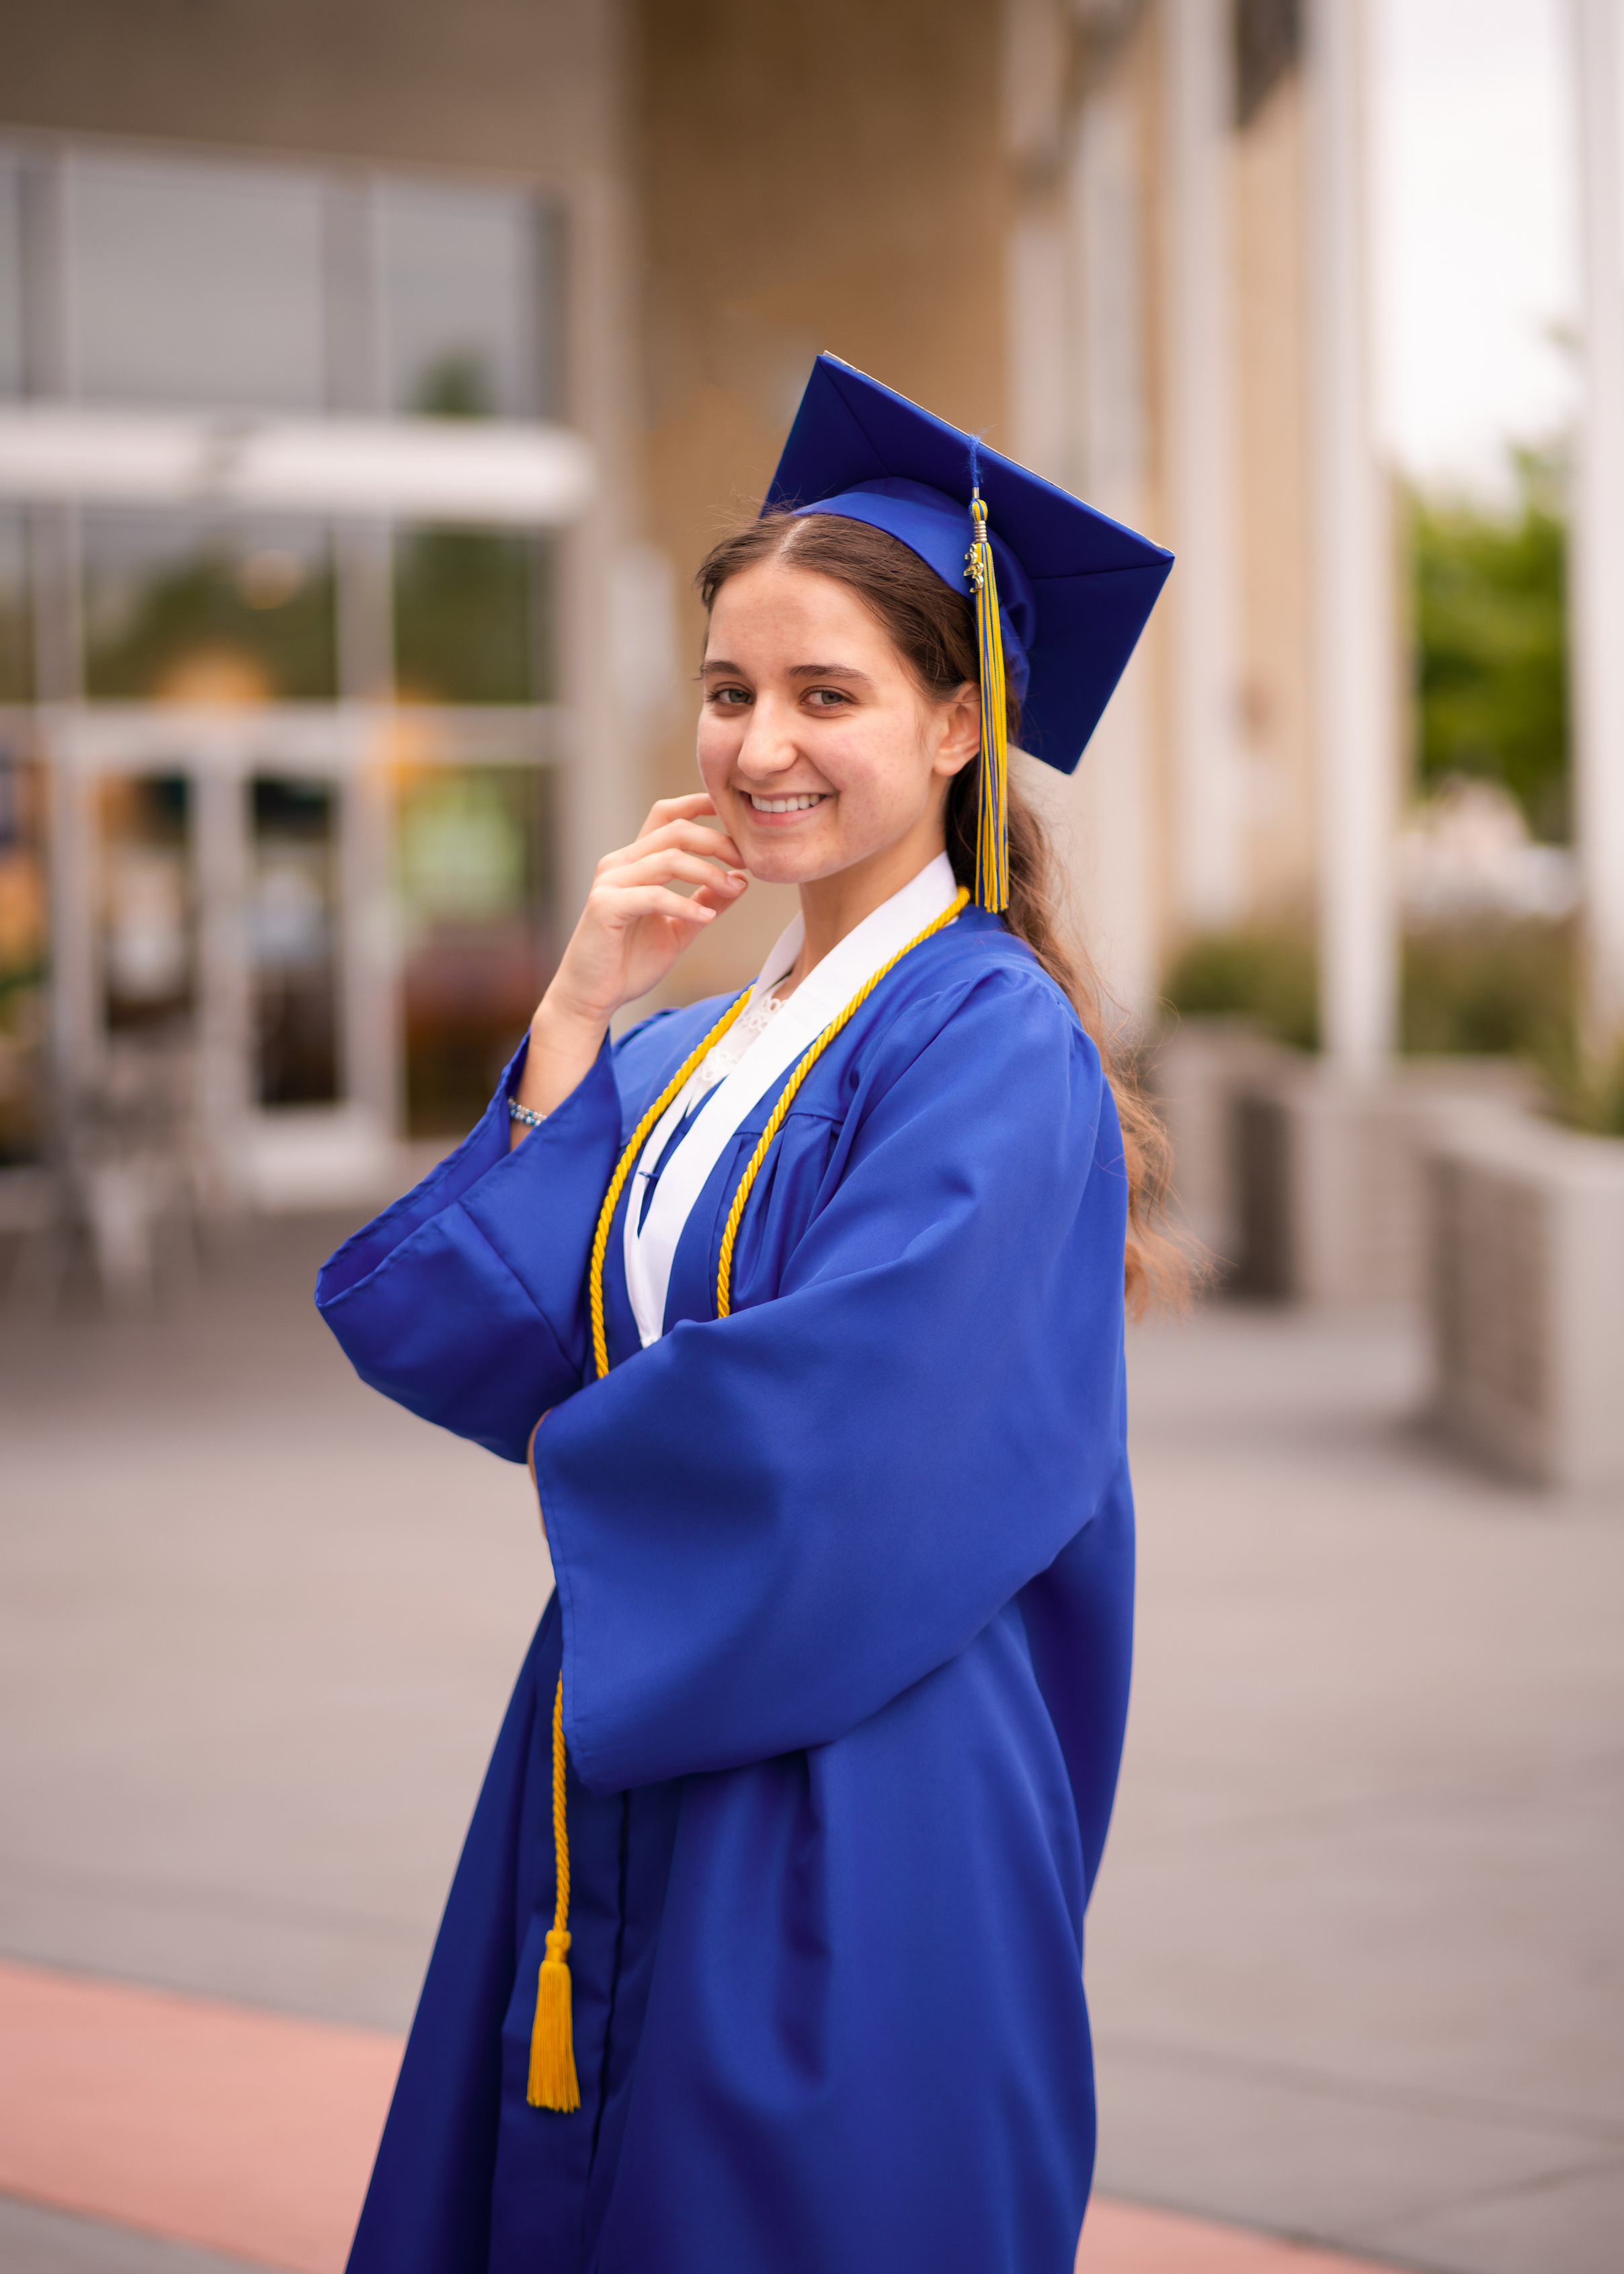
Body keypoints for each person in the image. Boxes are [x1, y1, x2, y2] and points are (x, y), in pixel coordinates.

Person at [318, 355, 1178, 2274]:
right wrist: (574, 1008)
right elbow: (504, 1323)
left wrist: (614, 1469)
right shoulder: (705, 1041)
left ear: (962, 723)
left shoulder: (991, 1043)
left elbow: (856, 1430)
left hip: (853, 1776)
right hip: (638, 1725)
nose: (759, 743)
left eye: (826, 695)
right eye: (729, 692)